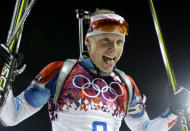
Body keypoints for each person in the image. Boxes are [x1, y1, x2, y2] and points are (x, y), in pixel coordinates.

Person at [0, 8, 179, 131]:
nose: (113, 49)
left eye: (119, 42)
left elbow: (145, 129)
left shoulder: (125, 84)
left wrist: (176, 111)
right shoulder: (61, 72)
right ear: (88, 41)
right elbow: (11, 117)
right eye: (105, 40)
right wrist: (2, 76)